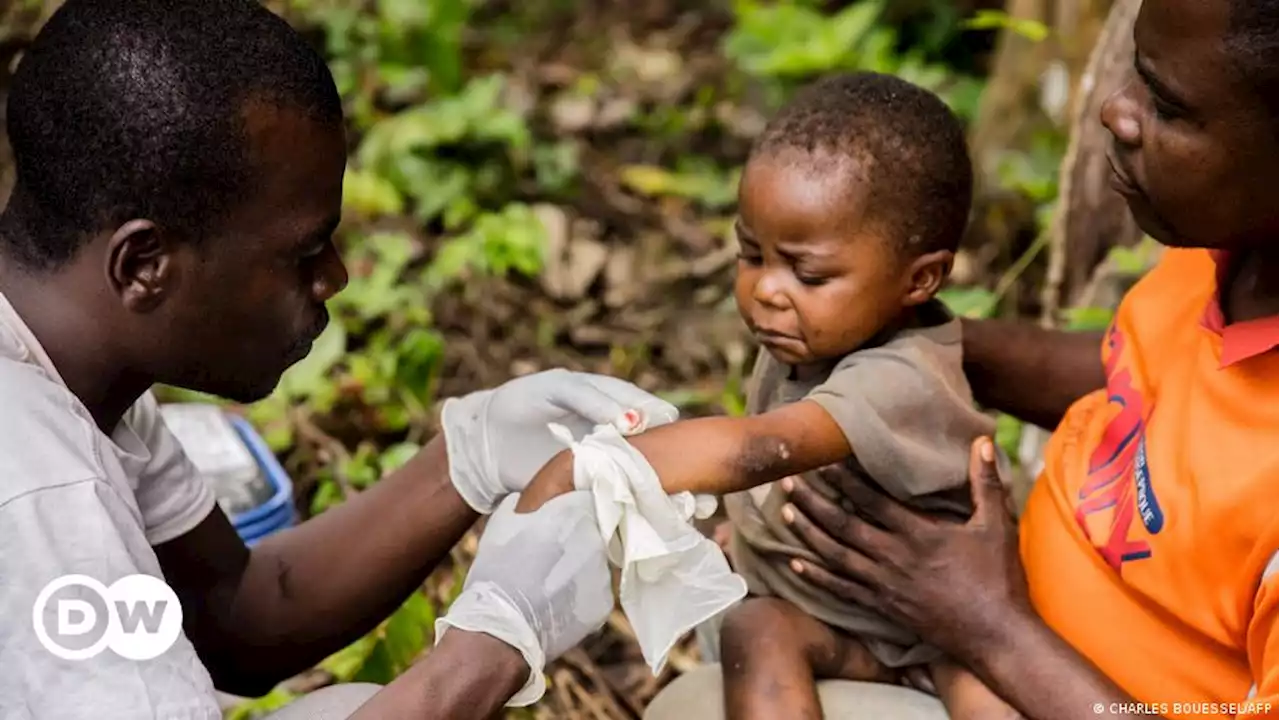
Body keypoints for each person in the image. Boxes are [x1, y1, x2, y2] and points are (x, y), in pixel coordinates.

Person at [0, 1, 679, 718]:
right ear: (145, 264)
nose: (334, 279)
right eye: (302, 253)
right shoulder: (42, 484)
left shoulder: (75, 369)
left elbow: (234, 617)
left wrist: (466, 458)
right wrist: (492, 647)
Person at [652, 0, 1280, 717]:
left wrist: (990, 626)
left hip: (1006, 663)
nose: (1115, 111)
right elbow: (1148, 383)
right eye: (1137, 73)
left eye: (1168, 106)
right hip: (964, 620)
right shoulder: (1231, 257)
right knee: (730, 610)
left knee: (698, 699)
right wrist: (905, 358)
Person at [516, 72, 1013, 718]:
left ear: (920, 280)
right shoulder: (807, 335)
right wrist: (748, 531)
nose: (768, 291)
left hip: (927, 637)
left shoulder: (902, 376)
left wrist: (596, 464)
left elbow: (765, 448)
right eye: (752, 255)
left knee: (989, 693)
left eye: (807, 272)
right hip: (838, 618)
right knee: (757, 628)